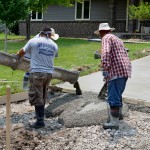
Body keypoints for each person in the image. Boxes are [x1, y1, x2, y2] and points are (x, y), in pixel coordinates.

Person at [17, 27, 59, 129]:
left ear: (41, 33)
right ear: (49, 35)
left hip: (37, 73)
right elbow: (55, 55)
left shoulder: (33, 41)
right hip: (49, 74)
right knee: (43, 95)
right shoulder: (54, 45)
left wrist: (17, 54)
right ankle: (39, 116)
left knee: (37, 96)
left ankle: (40, 122)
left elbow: (22, 52)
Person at [94, 23, 132, 130]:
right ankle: (118, 115)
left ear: (101, 32)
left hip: (116, 70)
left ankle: (114, 122)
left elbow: (105, 53)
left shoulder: (106, 38)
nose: (100, 36)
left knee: (113, 96)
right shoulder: (117, 39)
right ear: (109, 30)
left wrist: (105, 69)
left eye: (99, 34)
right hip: (125, 69)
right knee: (118, 93)